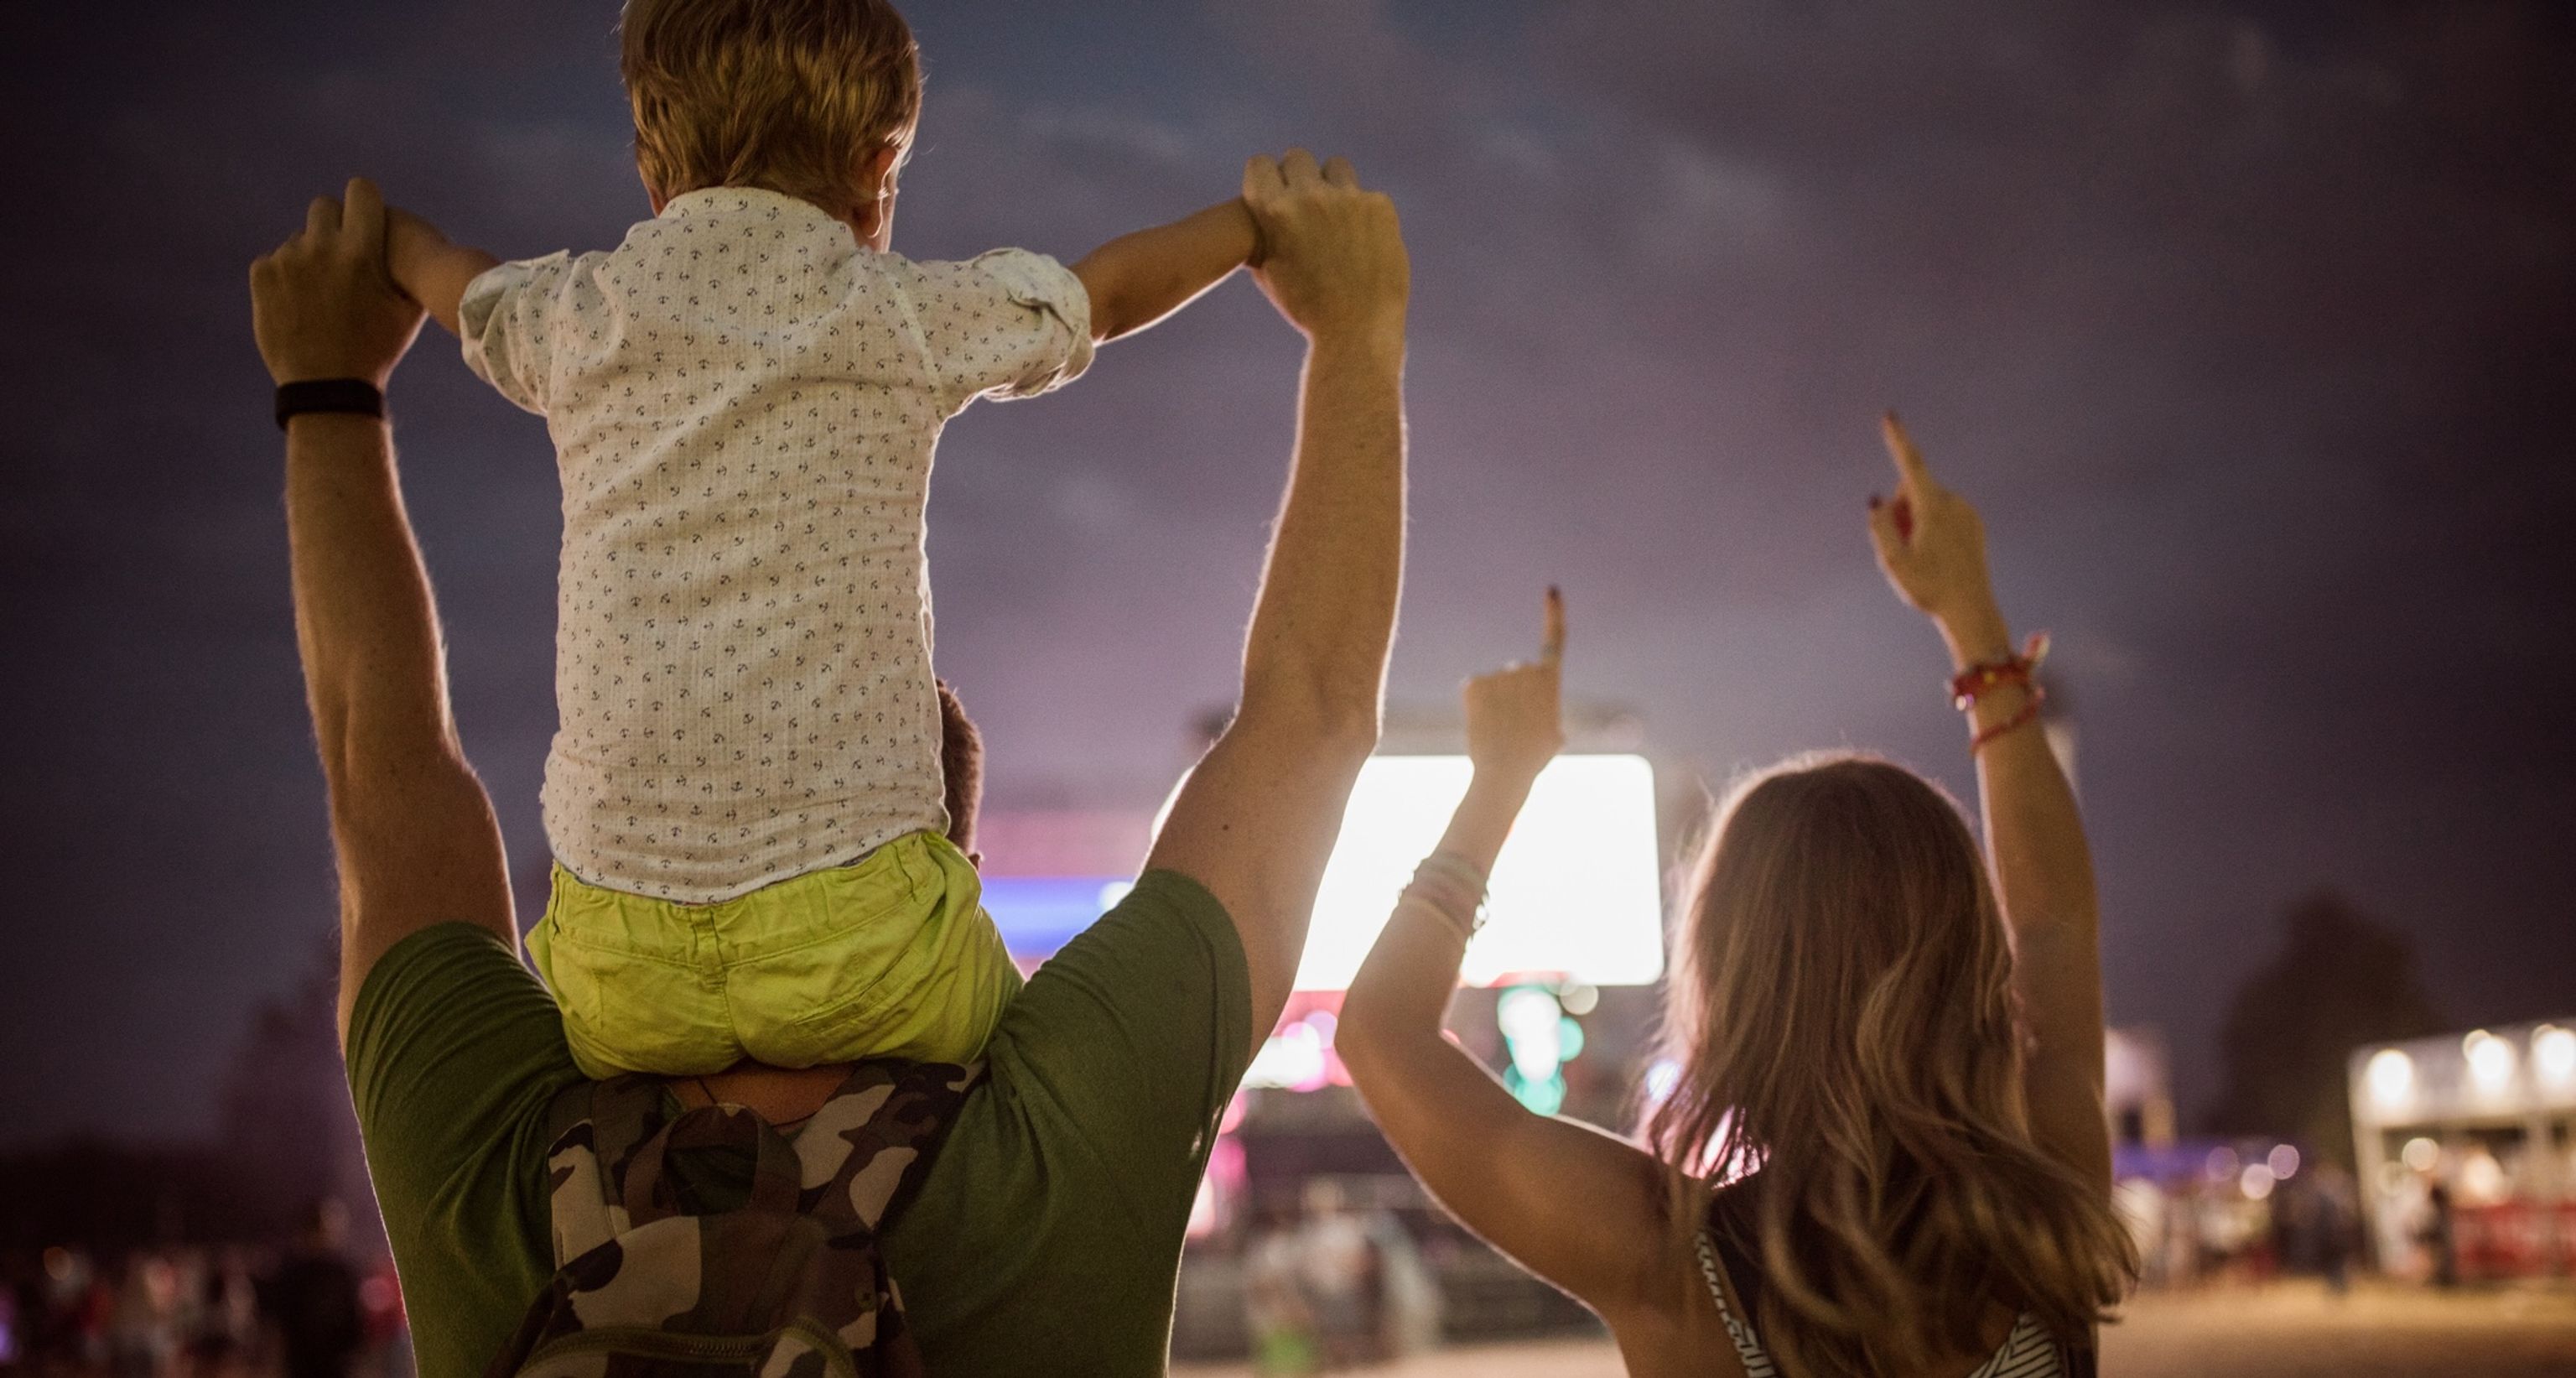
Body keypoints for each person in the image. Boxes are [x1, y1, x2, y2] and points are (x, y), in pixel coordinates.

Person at [249, 144, 1405, 1378]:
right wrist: (1357, 333)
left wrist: (326, 391)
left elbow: (383, 765)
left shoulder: (493, 1163)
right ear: (940, 862)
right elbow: (1315, 709)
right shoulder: (1063, 1137)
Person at [376, 0, 1265, 1083]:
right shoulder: (889, 312)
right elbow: (1104, 296)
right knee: (1043, 1075)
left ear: (653, 170)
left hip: (619, 965)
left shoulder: (579, 317)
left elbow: (460, 285)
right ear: (878, 167)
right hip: (859, 942)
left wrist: (391, 240)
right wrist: (1254, 223)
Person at [1337, 419, 2137, 1377]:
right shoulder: (2052, 1182)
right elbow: (2056, 925)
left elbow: (1382, 1036)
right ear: (1969, 956)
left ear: (1729, 978)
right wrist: (1976, 627)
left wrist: (1501, 779)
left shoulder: (1669, 1263)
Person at [257, 1205, 362, 1378]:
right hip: (304, 1360)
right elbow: (281, 1317)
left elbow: (352, 1316)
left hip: (332, 1361)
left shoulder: (340, 1271)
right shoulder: (294, 1270)